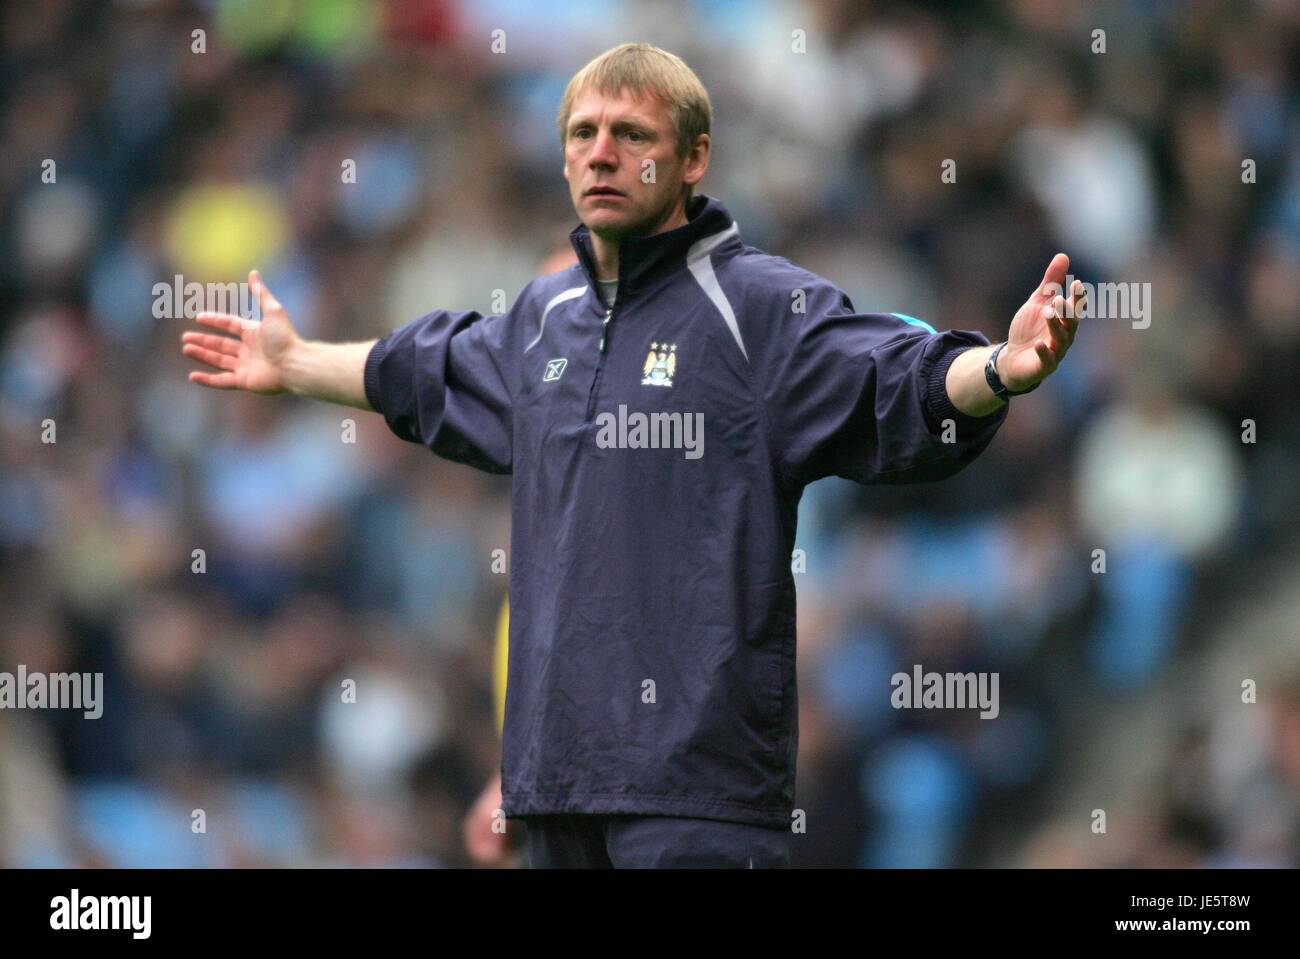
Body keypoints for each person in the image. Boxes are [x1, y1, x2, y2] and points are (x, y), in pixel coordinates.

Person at [181, 42, 1086, 868]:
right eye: (583, 133)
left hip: (697, 796)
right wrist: (296, 362)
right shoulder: (543, 320)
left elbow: (896, 378)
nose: (602, 152)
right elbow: (419, 368)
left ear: (692, 159)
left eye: (631, 134)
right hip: (563, 793)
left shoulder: (761, 310)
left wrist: (997, 368)